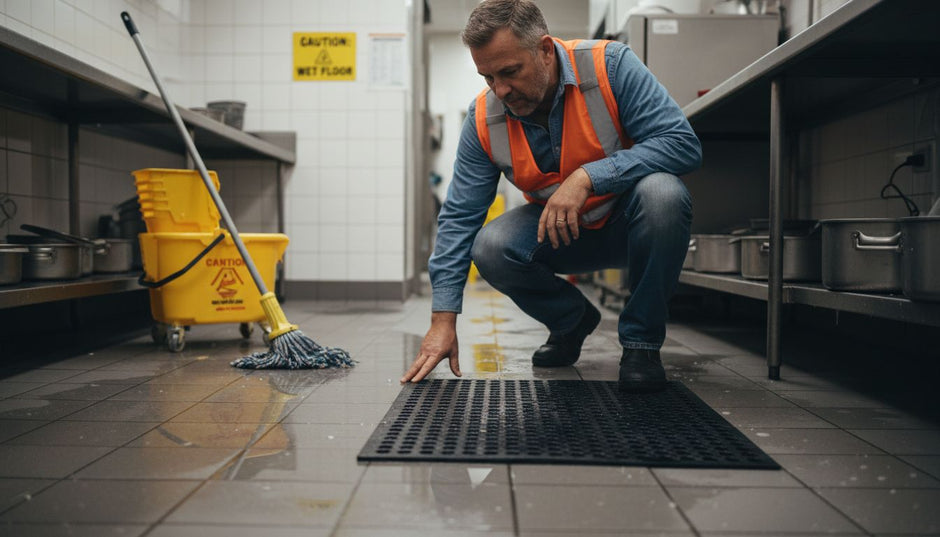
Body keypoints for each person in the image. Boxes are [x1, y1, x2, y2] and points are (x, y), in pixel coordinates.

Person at [401, 0, 701, 392]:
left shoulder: (610, 66)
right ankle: (570, 321)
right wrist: (443, 319)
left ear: (544, 50)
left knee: (664, 193)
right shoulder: (482, 119)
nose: (501, 90)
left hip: (633, 223)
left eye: (510, 72)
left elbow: (681, 144)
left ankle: (641, 343)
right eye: (488, 77)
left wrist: (587, 178)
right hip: (563, 235)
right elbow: (459, 218)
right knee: (490, 246)